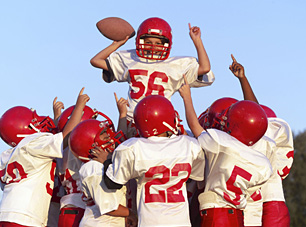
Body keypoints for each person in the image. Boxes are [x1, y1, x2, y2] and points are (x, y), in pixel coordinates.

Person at [179, 75, 272, 227]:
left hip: (216, 214)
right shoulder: (263, 163)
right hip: (238, 215)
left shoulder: (221, 142)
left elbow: (195, 127)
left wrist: (187, 97)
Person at [103, 95, 205, 227]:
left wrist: (106, 160)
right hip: (181, 222)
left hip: (150, 221)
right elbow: (194, 177)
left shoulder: (133, 148)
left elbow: (112, 182)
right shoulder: (189, 145)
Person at [90, 17, 215, 124]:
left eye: (158, 43)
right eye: (148, 42)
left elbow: (205, 68)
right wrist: (117, 44)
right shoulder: (131, 58)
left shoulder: (175, 64)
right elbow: (96, 61)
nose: (153, 46)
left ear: (167, 44)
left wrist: (197, 40)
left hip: (161, 119)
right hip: (133, 120)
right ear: (139, 41)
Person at [0, 87, 89, 227]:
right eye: (34, 121)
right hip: (27, 215)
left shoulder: (7, 155)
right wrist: (79, 107)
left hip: (7, 212)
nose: (39, 122)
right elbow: (63, 138)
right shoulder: (32, 142)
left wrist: (57, 118)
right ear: (22, 129)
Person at [229, 55, 294, 227]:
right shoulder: (269, 136)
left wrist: (243, 79)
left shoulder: (262, 134)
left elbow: (255, 113)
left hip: (261, 203)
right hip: (270, 201)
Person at [67, 113, 137, 227]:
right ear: (93, 148)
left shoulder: (104, 164)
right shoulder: (93, 168)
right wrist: (132, 214)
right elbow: (109, 206)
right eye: (105, 138)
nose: (111, 139)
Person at [56, 104, 98, 227]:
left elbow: (64, 133)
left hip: (68, 207)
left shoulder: (60, 148)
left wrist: (58, 117)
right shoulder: (82, 148)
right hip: (81, 208)